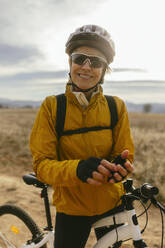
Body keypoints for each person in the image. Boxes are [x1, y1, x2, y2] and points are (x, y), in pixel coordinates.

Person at [30, 24, 134, 248]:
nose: (86, 67)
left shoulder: (116, 106)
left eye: (96, 62)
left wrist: (121, 168)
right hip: (73, 208)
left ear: (104, 69)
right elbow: (42, 167)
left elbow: (125, 153)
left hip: (112, 203)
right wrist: (78, 169)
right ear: (70, 62)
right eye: (80, 58)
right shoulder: (52, 107)